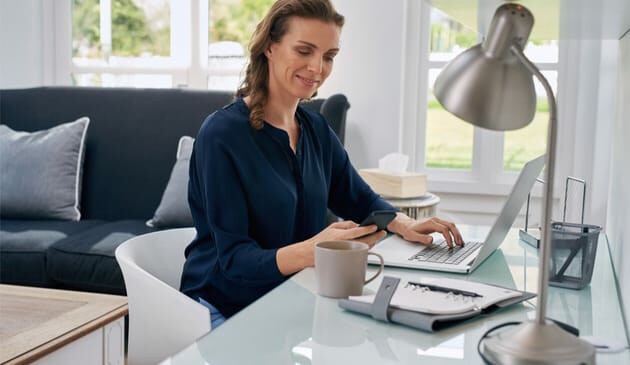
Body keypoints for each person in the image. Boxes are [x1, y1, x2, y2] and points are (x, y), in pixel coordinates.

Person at [180, 0, 463, 329]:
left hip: (290, 298)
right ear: (270, 47)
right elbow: (234, 260)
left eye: (329, 56)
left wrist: (404, 224)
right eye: (304, 51)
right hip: (221, 305)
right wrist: (315, 250)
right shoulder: (222, 135)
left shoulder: (314, 128)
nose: (318, 68)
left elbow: (359, 199)